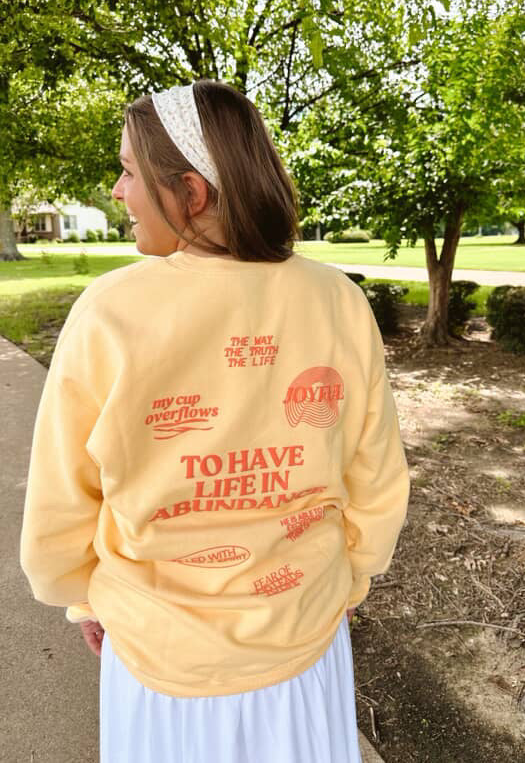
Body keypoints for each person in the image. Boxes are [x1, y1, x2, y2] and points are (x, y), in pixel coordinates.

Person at [20, 79, 410, 763]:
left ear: (191, 194)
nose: (117, 191)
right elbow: (375, 476)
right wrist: (351, 582)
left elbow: (61, 497)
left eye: (130, 171)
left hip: (157, 658)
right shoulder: (338, 301)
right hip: (305, 639)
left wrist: (83, 599)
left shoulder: (109, 312)